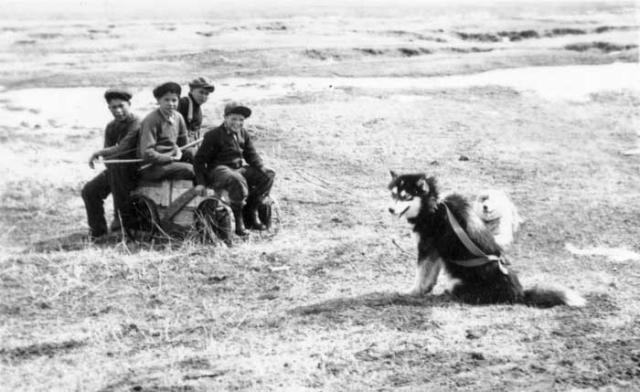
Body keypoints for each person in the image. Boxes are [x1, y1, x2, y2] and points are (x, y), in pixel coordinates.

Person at [194, 102, 275, 236]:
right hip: (218, 170)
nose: (237, 123)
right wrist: (201, 182)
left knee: (268, 175)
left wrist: (262, 168)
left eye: (241, 120)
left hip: (237, 169)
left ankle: (251, 211)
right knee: (236, 179)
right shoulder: (213, 135)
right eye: (233, 119)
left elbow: (251, 154)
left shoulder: (243, 133)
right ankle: (239, 222)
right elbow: (199, 160)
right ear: (225, 118)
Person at [82, 88, 141, 238]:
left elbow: (123, 147)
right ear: (109, 108)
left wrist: (99, 153)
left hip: (136, 169)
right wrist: (107, 158)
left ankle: (120, 221)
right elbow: (109, 153)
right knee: (89, 191)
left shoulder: (136, 122)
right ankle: (98, 232)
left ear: (129, 104)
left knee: (117, 172)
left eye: (121, 106)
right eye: (114, 107)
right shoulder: (111, 126)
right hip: (116, 169)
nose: (118, 110)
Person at [138, 82, 194, 181]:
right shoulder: (151, 120)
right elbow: (147, 153)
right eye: (166, 100)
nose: (171, 104)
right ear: (158, 100)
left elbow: (184, 144)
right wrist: (170, 158)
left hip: (172, 158)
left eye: (174, 100)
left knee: (196, 155)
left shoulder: (178, 117)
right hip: (153, 166)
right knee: (191, 170)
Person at [177, 77, 214, 162]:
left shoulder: (197, 108)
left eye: (207, 94)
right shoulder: (184, 103)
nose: (203, 96)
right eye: (201, 92)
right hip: (181, 147)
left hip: (191, 144)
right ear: (191, 90)